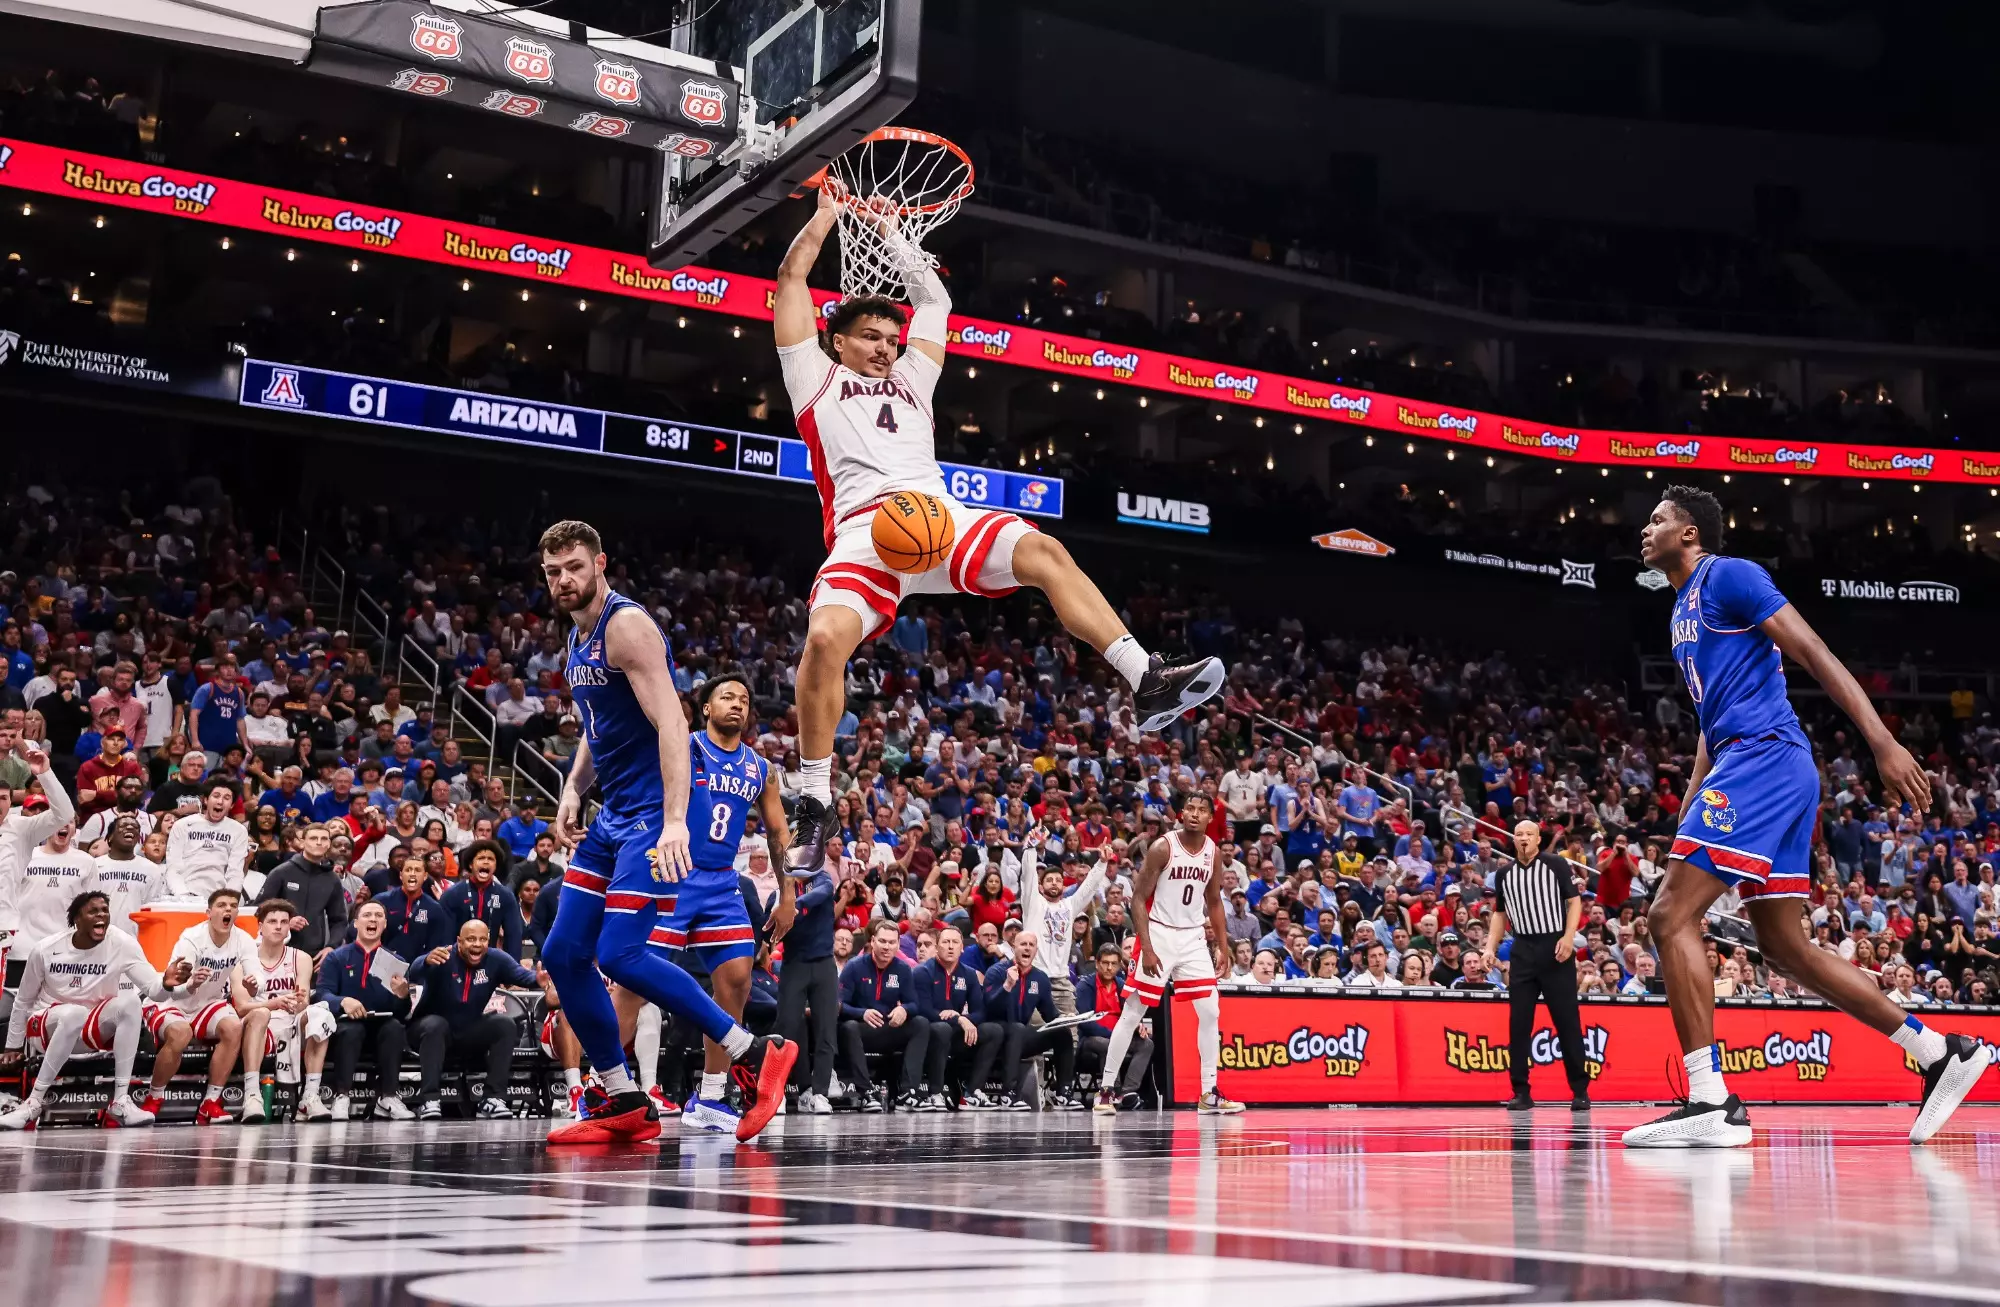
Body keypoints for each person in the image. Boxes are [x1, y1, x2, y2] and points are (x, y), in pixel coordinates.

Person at [771, 188, 1226, 875]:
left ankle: (1147, 677)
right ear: (837, 340)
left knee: (1043, 550)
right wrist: (829, 214)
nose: (887, 348)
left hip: (939, 516)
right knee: (825, 639)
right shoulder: (812, 376)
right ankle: (814, 796)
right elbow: (791, 278)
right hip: (867, 530)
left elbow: (935, 301)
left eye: (892, 339)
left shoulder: (915, 377)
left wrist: (893, 231)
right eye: (870, 337)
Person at [1627, 486, 1988, 1148]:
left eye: (1657, 520)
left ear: (1689, 533)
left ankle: (1711, 1100)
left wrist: (1882, 741)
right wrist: (1690, 806)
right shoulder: (1680, 609)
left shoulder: (1729, 575)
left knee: (1668, 915)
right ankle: (1941, 1051)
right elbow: (1710, 723)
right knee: (1784, 946)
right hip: (1758, 763)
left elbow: (1814, 649)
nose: (1644, 530)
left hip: (1764, 759)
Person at [535, 520, 794, 1145]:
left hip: (651, 817)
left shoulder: (626, 626)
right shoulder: (577, 637)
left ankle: (753, 1053)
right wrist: (573, 788)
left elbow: (674, 725)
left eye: (574, 567)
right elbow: (598, 728)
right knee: (563, 954)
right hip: (613, 814)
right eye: (552, 572)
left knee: (619, 955)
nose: (564, 580)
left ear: (601, 563)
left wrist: (675, 820)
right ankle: (622, 1097)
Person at [652, 674, 795, 1134]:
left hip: (719, 881)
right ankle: (605, 1088)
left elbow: (778, 833)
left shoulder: (760, 768)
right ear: (706, 708)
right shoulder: (684, 747)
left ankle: (711, 1097)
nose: (737, 704)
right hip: (672, 872)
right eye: (727, 697)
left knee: (736, 979)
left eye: (744, 699)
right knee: (637, 979)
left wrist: (787, 893)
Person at [0, 891, 198, 1129]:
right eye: (93, 911)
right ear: (77, 919)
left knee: (130, 1002)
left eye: (105, 910)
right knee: (74, 1014)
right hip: (47, 1025)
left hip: (91, 1029)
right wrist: (12, 1045)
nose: (101, 915)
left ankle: (121, 1101)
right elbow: (23, 1001)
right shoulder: (45, 949)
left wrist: (166, 982)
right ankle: (33, 1103)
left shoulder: (122, 943)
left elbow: (154, 991)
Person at [1093, 794, 1239, 1115]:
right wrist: (1146, 947)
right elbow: (1137, 899)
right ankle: (1106, 1090)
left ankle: (1209, 1092)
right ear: (1181, 813)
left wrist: (1222, 945)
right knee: (1133, 1011)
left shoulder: (1213, 852)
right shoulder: (1163, 847)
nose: (1195, 814)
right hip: (1158, 932)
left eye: (1202, 810)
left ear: (1210, 817)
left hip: (1193, 936)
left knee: (1210, 1011)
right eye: (1191, 808)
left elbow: (1214, 901)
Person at [1487, 820, 1590, 1113]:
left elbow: (1574, 902)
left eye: (1528, 834)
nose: (1523, 839)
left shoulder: (1555, 864)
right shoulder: (1504, 874)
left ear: (1538, 839)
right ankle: (1520, 1091)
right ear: (1513, 840)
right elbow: (1499, 914)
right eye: (1518, 834)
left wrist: (1568, 937)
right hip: (1522, 949)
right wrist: (1489, 947)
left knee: (1567, 1020)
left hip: (1555, 947)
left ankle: (1580, 1090)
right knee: (1519, 1023)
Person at [141, 888, 261, 1123]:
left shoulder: (243, 939)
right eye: (222, 905)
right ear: (208, 912)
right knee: (181, 1033)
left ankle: (210, 1102)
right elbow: (174, 987)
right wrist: (192, 983)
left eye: (233, 906)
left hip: (207, 1002)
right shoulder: (191, 938)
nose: (228, 909)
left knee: (233, 1027)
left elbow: (257, 975)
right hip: (171, 1001)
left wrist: (255, 984)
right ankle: (154, 1097)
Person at [406, 919, 538, 1119]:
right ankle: (429, 1100)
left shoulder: (496, 959)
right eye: (471, 939)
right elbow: (412, 972)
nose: (477, 944)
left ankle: (492, 1098)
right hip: (426, 1030)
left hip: (466, 1031)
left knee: (504, 1024)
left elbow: (523, 976)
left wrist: (539, 978)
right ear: (459, 941)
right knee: (436, 1025)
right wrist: (425, 961)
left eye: (482, 939)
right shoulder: (443, 957)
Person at [233, 899, 335, 1122]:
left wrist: (299, 1004)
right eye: (272, 921)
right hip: (257, 1025)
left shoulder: (301, 958)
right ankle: (252, 1095)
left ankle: (310, 1097)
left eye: (284, 922)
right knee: (261, 1014)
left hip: (290, 1022)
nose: (278, 927)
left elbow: (303, 1000)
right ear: (260, 926)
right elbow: (241, 1008)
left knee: (321, 1015)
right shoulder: (241, 961)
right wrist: (273, 1004)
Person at [315, 900, 417, 1120]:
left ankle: (389, 1097)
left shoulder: (396, 961)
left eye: (378, 916)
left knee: (394, 1028)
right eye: (367, 915)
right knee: (351, 1030)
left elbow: (403, 1012)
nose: (373, 919)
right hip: (346, 1025)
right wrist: (343, 1001)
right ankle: (342, 1096)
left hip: (381, 1026)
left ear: (385, 924)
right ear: (355, 923)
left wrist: (402, 995)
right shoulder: (336, 957)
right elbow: (322, 994)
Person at [910, 921, 1003, 1110]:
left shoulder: (969, 974)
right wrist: (958, 1019)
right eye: (945, 942)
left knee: (994, 1030)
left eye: (955, 942)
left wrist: (965, 1020)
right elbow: (923, 1010)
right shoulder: (922, 972)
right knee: (942, 1029)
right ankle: (935, 1093)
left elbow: (980, 1011)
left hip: (957, 1032)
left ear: (962, 948)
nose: (950, 946)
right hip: (929, 1032)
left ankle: (972, 1092)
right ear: (937, 947)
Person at [836, 918, 927, 1111]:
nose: (887, 947)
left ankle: (907, 1093)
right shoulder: (854, 966)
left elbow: (914, 1004)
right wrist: (862, 1013)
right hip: (862, 1029)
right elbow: (839, 1005)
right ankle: (865, 1093)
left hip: (889, 1027)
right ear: (873, 941)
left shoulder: (903, 969)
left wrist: (904, 1009)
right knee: (848, 1028)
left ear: (898, 945)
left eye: (892, 942)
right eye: (882, 941)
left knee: (920, 1024)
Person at [984, 930, 1079, 1110]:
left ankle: (1063, 1092)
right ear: (1014, 947)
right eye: (1023, 944)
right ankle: (1009, 1094)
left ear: (1036, 950)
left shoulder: (1040, 978)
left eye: (1031, 945)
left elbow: (1049, 1014)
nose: (1027, 948)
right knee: (1018, 1028)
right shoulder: (996, 972)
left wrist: (1065, 1019)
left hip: (1020, 1037)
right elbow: (989, 1007)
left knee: (1062, 1033)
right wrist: (1007, 985)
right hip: (995, 1035)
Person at [777, 853, 840, 1113]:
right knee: (787, 1029)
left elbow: (823, 892)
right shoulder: (781, 889)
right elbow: (770, 919)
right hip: (794, 965)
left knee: (826, 1030)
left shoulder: (822, 879)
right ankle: (790, 1091)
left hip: (824, 964)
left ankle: (820, 1093)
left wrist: (795, 905)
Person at [254, 822, 349, 957]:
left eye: (323, 839)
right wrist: (286, 922)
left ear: (329, 844)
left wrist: (331, 947)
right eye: (313, 838)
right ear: (302, 843)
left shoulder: (332, 879)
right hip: (278, 951)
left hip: (314, 955)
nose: (319, 842)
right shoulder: (282, 872)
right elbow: (258, 909)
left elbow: (339, 920)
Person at [1076, 942, 1151, 1106]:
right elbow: (1085, 1023)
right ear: (1097, 963)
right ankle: (1112, 1090)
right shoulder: (1085, 986)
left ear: (1119, 965)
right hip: (1092, 1040)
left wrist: (1138, 1026)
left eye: (1114, 964)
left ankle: (1128, 1092)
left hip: (1119, 1037)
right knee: (1107, 1044)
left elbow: (1132, 1014)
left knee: (1147, 1044)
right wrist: (1116, 1036)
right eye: (1105, 963)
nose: (1109, 968)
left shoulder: (1122, 986)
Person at [164, 780, 251, 898]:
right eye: (216, 796)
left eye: (226, 798)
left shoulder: (239, 831)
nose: (220, 801)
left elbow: (235, 873)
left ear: (232, 805)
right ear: (205, 800)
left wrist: (227, 898)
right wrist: (184, 896)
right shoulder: (182, 825)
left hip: (218, 897)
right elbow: (173, 868)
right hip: (183, 894)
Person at [441, 839, 526, 960]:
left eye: (490, 859)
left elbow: (513, 938)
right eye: (481, 858)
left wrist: (512, 967)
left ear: (495, 866)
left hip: (490, 961)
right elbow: (445, 938)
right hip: (458, 960)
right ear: (471, 864)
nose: (486, 862)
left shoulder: (506, 896)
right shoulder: (452, 895)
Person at [87, 813, 164, 934]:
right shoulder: (93, 866)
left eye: (135, 827)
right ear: (110, 837)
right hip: (100, 936)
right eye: (123, 826)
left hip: (137, 937)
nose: (129, 828)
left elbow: (153, 909)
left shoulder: (152, 870)